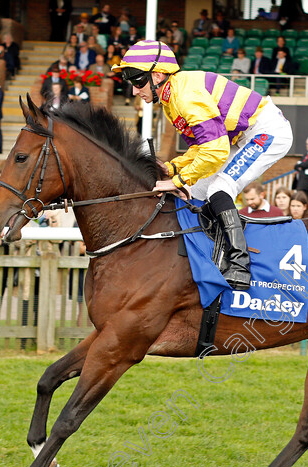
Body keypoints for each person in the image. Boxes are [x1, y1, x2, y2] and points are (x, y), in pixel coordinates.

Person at [114, 40, 293, 291]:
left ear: (157, 75)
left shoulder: (185, 96)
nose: (134, 90)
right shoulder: (171, 98)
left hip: (265, 131)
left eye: (137, 80)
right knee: (194, 192)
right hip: (237, 138)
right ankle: (206, 256)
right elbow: (201, 148)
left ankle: (240, 266)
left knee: (219, 190)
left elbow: (215, 151)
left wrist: (177, 179)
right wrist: (174, 168)